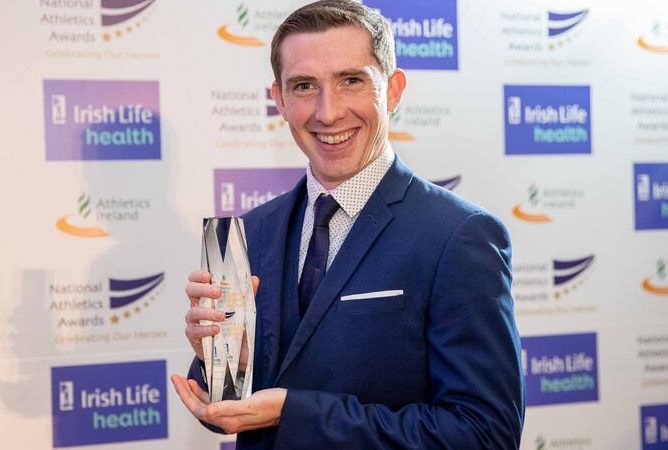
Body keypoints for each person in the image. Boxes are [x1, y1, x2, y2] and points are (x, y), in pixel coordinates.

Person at [171, 1, 525, 448]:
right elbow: (225, 409)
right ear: (278, 99)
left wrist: (292, 411)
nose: (328, 112)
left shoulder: (459, 236)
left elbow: (485, 435)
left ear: (393, 90)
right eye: (303, 86)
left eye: (351, 80)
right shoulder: (249, 232)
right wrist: (225, 369)